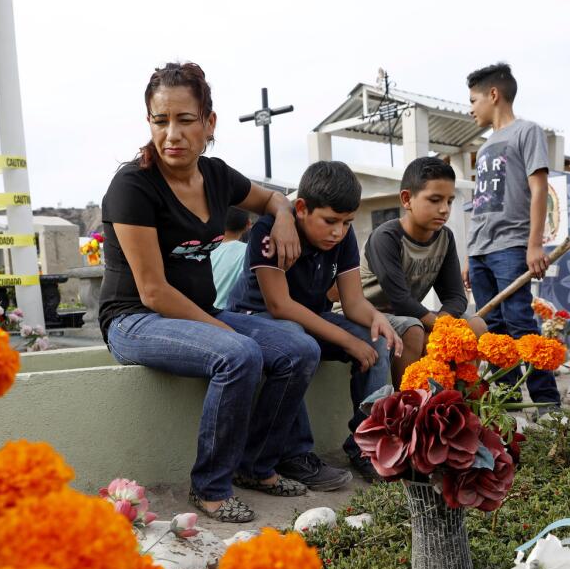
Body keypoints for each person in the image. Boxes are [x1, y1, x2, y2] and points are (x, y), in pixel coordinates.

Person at [99, 62, 322, 523]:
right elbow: (154, 291)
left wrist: (282, 218)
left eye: (184, 120)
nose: (172, 134)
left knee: (299, 348)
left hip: (197, 311)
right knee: (238, 354)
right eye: (160, 121)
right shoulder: (133, 186)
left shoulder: (217, 177)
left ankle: (256, 467)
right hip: (135, 319)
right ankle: (210, 488)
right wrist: (227, 332)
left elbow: (276, 199)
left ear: (209, 122)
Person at [231, 160, 401, 484]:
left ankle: (367, 446)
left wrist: (378, 319)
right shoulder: (269, 231)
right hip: (257, 319)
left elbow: (353, 303)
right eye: (330, 221)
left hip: (309, 318)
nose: (338, 231)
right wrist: (347, 340)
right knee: (296, 338)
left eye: (347, 222)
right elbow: (280, 306)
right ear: (302, 208)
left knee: (375, 339)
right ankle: (296, 455)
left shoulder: (342, 239)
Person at [465, 62, 560, 409]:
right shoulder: (485, 147)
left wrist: (535, 244)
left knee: (520, 323)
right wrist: (469, 254)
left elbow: (539, 190)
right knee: (494, 331)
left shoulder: (526, 132)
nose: (471, 108)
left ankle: (547, 403)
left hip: (511, 246)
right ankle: (509, 402)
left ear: (494, 94)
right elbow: (480, 204)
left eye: (474, 100)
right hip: (481, 250)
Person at [360, 156, 486, 386]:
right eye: (435, 199)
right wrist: (442, 328)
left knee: (475, 326)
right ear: (407, 199)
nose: (444, 209)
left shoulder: (445, 237)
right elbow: (400, 300)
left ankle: (463, 403)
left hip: (410, 316)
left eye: (449, 201)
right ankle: (405, 407)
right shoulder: (386, 237)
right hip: (369, 314)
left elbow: (455, 296)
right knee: (415, 330)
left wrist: (446, 325)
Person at [210, 207, 250, 310]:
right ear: (248, 225)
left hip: (196, 314)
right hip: (225, 316)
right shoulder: (248, 252)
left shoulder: (204, 249)